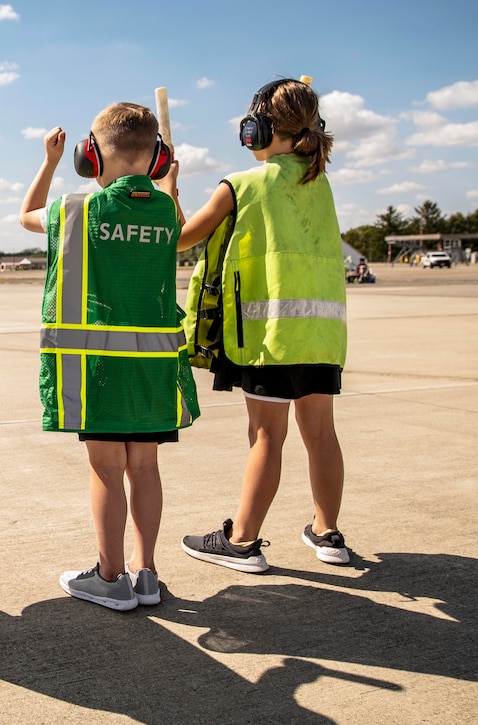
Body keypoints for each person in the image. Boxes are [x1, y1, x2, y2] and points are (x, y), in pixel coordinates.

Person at [19, 103, 199, 611]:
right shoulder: (168, 210)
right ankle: (147, 575)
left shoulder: (76, 209)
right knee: (145, 466)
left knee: (105, 468)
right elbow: (172, 224)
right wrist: (169, 184)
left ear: (90, 156)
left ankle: (109, 576)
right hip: (152, 369)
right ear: (158, 156)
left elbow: (26, 215)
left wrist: (50, 163)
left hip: (99, 370)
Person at [173, 78, 349, 573]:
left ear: (264, 127)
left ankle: (243, 541)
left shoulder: (242, 184)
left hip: (269, 338)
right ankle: (327, 532)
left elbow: (181, 239)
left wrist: (169, 192)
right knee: (322, 436)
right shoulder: (320, 182)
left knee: (266, 438)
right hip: (321, 336)